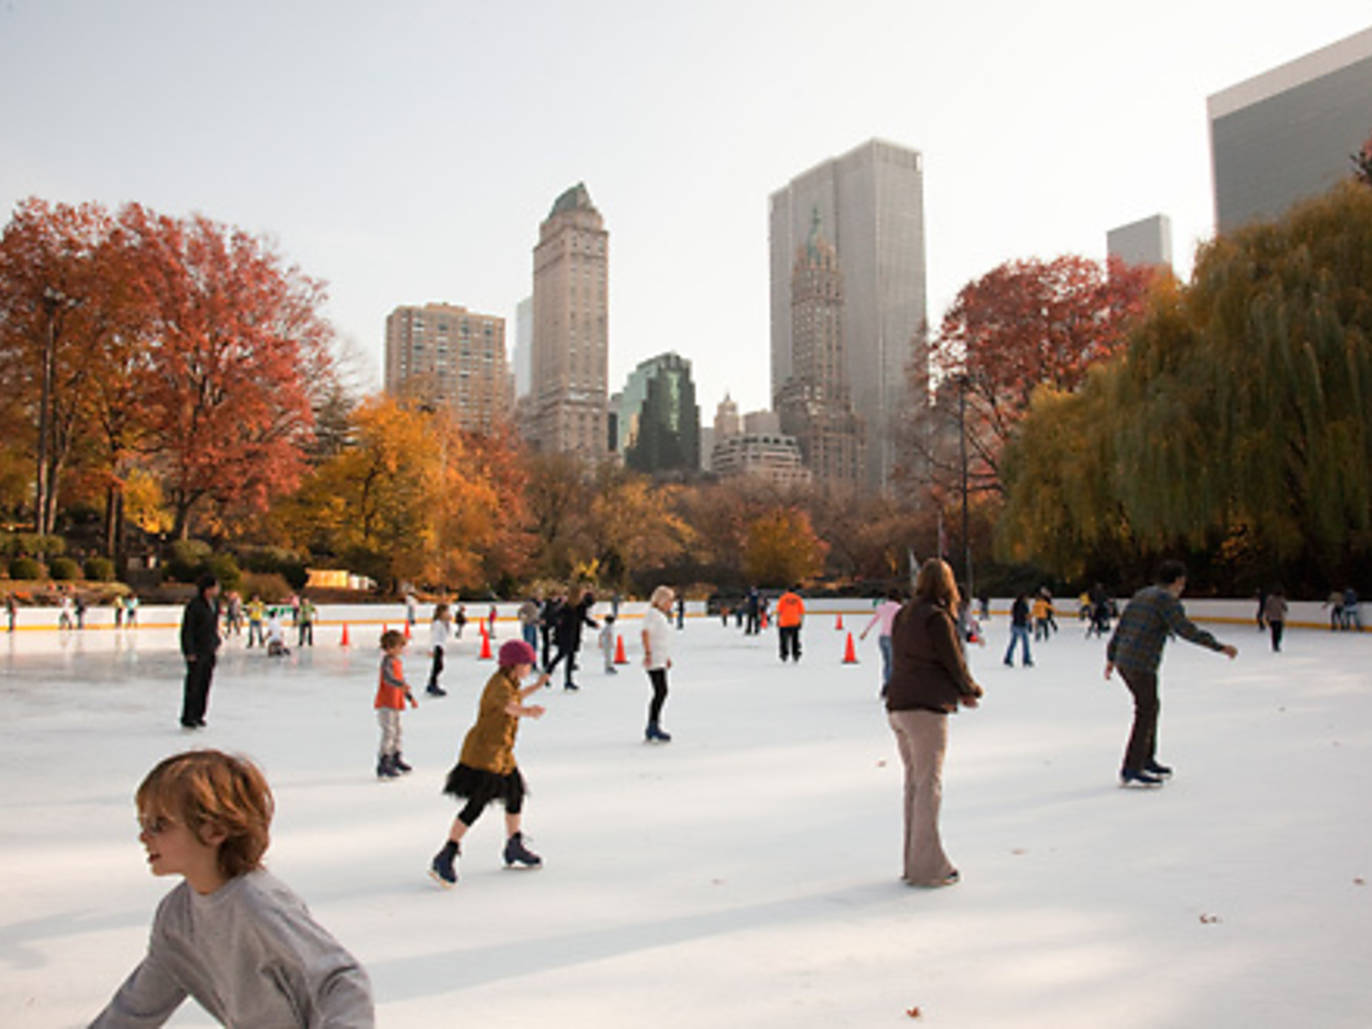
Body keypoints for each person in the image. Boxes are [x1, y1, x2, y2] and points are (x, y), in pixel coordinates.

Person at [90, 749, 374, 1027]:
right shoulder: (176, 916)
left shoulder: (258, 904)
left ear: (214, 830)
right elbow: (135, 1009)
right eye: (143, 823)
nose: (143, 837)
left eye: (159, 825)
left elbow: (341, 979)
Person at [885, 559, 984, 888]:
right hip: (924, 709)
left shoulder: (904, 614)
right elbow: (952, 660)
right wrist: (969, 690)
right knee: (928, 786)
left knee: (915, 784)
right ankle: (927, 867)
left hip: (898, 705)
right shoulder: (936, 618)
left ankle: (914, 862)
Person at [1105, 560, 1238, 787]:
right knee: (1146, 710)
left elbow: (1122, 625)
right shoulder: (1166, 601)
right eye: (1182, 583)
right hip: (1141, 663)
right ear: (1177, 581)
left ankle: (1146, 759)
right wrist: (1218, 646)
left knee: (1150, 707)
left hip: (1125, 661)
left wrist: (1111, 656)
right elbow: (1185, 629)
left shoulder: (1142, 594)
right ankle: (1132, 767)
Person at [429, 640, 548, 887]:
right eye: (527, 664)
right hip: (485, 754)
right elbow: (509, 706)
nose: (529, 668)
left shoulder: (509, 682)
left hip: (502, 753)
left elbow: (515, 697)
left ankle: (514, 844)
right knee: (477, 804)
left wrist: (535, 687)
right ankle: (446, 854)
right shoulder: (498, 686)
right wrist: (529, 712)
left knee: (515, 793)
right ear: (514, 665)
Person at [376, 628, 420, 778]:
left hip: (395, 702)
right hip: (386, 703)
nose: (401, 649)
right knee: (389, 732)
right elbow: (389, 679)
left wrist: (410, 697)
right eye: (399, 647)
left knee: (397, 731)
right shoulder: (387, 662)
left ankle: (396, 757)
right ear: (389, 648)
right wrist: (400, 685)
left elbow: (402, 682)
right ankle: (384, 762)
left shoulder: (397, 662)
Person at [179, 575, 220, 730]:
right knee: (193, 685)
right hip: (196, 651)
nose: (218, 590)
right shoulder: (194, 606)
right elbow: (187, 630)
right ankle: (188, 716)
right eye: (215, 587)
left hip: (209, 650)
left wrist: (216, 641)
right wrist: (189, 651)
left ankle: (199, 715)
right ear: (207, 589)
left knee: (205, 684)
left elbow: (213, 626)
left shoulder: (215, 604)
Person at [641, 586, 676, 742]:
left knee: (661, 691)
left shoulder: (660, 615)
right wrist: (648, 653)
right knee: (661, 691)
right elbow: (645, 632)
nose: (671, 604)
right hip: (654, 658)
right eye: (669, 600)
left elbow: (661, 637)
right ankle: (652, 726)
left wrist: (666, 656)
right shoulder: (653, 614)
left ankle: (653, 725)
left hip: (660, 657)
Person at [548, 587, 598, 690]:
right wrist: (558, 623)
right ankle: (546, 676)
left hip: (574, 635)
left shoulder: (580, 606)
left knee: (569, 658)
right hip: (565, 635)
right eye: (581, 594)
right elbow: (555, 618)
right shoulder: (566, 607)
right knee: (560, 656)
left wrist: (593, 624)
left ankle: (568, 681)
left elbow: (584, 616)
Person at [859, 590, 904, 696]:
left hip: (882, 637)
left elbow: (874, 620)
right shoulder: (899, 609)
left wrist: (865, 632)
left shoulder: (882, 607)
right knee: (893, 663)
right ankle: (888, 686)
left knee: (887, 663)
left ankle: (887, 684)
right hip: (893, 637)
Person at [426, 603, 452, 697]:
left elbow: (447, 634)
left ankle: (432, 684)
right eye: (446, 611)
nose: (448, 613)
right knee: (437, 666)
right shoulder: (437, 623)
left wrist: (448, 622)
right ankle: (432, 684)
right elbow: (434, 637)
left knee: (439, 667)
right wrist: (432, 649)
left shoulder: (443, 623)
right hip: (437, 646)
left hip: (440, 646)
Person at [775, 586, 805, 662]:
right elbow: (801, 612)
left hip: (784, 622)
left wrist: (777, 620)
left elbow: (779, 611)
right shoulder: (798, 598)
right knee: (795, 639)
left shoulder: (783, 598)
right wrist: (801, 621)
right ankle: (795, 654)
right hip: (794, 622)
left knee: (784, 639)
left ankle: (784, 654)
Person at [1003, 593, 1033, 667]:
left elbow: (1011, 614)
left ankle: (1007, 658)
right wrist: (1030, 624)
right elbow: (1027, 616)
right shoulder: (1024, 606)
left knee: (1013, 643)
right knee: (1025, 644)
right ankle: (1026, 659)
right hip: (1022, 626)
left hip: (1014, 625)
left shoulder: (1015, 605)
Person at [1263, 587, 1288, 653]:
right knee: (1275, 632)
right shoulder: (1270, 599)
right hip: (1273, 618)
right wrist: (1267, 616)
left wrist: (1285, 609)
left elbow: (1285, 607)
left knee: (1278, 632)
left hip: (1279, 618)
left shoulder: (1281, 599)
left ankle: (1276, 642)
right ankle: (1275, 645)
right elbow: (1266, 607)